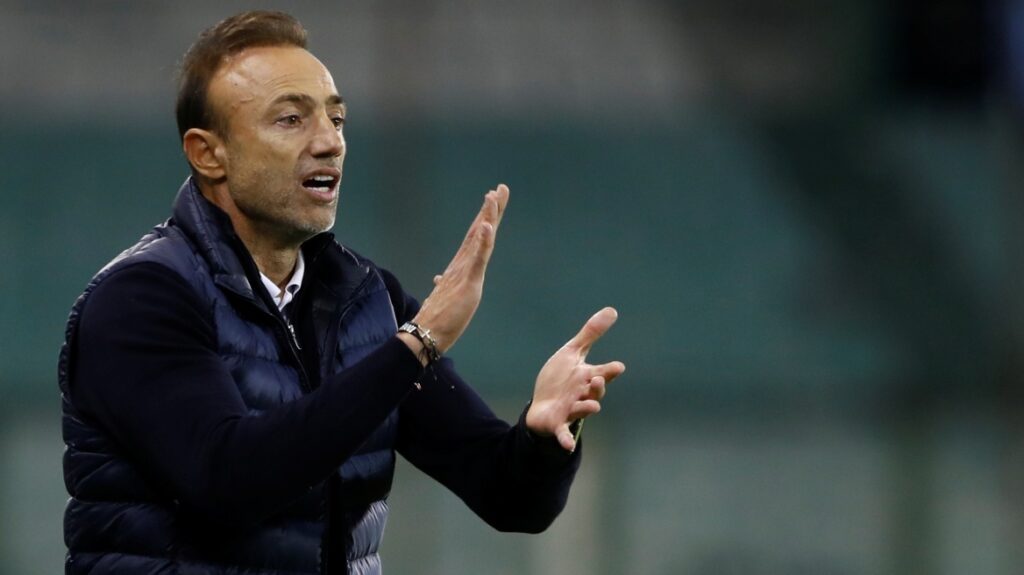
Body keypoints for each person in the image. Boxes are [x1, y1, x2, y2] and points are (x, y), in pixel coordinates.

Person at [58, 10, 625, 575]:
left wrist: (544, 431)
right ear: (209, 153)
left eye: (337, 119)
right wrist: (419, 342)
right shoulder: (139, 299)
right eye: (290, 119)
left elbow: (508, 497)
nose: (330, 142)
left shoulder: (367, 300)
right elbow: (229, 481)